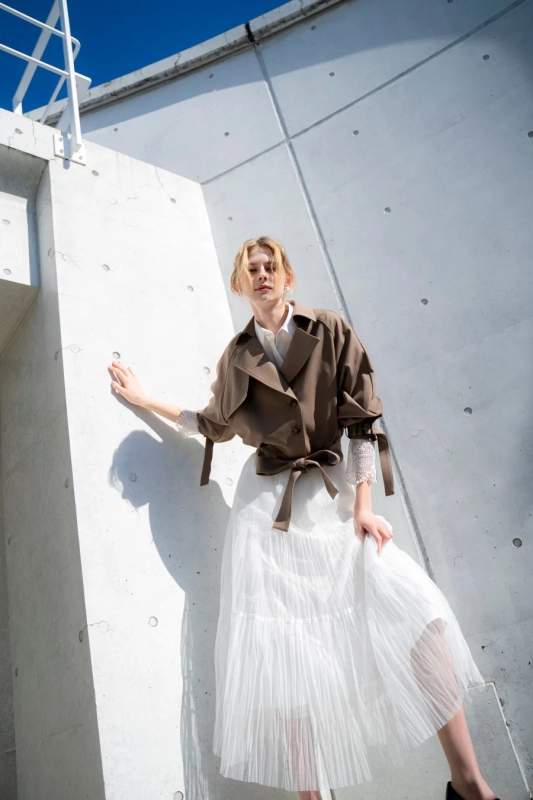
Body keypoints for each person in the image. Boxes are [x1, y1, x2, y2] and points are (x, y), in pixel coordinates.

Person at [108, 236, 500, 800]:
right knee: (288, 667)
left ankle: (468, 783)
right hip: (266, 517)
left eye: (271, 266)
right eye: (251, 269)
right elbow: (213, 424)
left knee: (419, 616)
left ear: (286, 277)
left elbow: (363, 419)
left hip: (331, 500)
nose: (262, 275)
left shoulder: (329, 329)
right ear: (240, 285)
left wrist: (364, 507)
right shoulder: (237, 356)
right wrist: (146, 400)